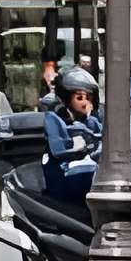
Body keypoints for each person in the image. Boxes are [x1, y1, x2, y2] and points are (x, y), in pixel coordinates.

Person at [42, 65, 102, 210]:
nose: (85, 103)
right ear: (66, 99)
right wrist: (78, 148)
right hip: (62, 177)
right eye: (79, 98)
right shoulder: (53, 119)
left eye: (89, 98)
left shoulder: (91, 120)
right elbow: (58, 150)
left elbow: (101, 136)